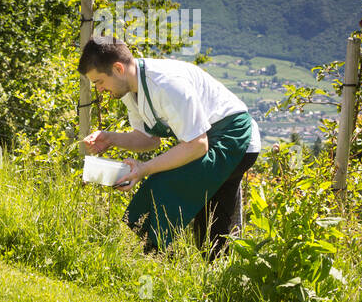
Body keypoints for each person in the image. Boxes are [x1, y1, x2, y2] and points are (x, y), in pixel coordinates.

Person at [78, 36, 260, 259]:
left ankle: (157, 261)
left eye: (99, 81)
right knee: (211, 219)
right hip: (207, 140)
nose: (99, 89)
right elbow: (149, 139)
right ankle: (201, 273)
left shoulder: (166, 84)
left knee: (163, 187)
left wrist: (144, 169)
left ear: (117, 69)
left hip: (234, 137)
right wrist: (110, 138)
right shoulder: (128, 89)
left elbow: (197, 146)